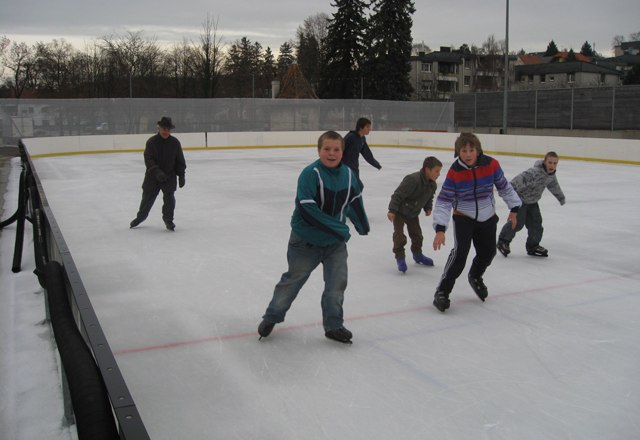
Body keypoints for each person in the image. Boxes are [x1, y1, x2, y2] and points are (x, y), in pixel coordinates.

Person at [258, 130, 370, 344]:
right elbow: (308, 209)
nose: (331, 153)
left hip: (334, 244)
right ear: (319, 151)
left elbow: (355, 200)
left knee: (337, 285)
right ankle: (272, 316)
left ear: (342, 151)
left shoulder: (348, 174)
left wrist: (362, 224)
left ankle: (334, 325)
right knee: (292, 282)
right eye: (326, 149)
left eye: (336, 149)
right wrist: (339, 229)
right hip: (305, 242)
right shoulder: (310, 174)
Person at [431, 133, 521, 312]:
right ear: (458, 152)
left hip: (487, 216)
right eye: (463, 151)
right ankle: (442, 291)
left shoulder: (491, 164)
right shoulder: (455, 172)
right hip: (464, 216)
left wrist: (514, 208)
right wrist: (440, 228)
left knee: (488, 253)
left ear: (478, 150)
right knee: (460, 255)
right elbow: (444, 201)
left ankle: (475, 276)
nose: (468, 154)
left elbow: (504, 186)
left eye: (471, 150)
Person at [497, 151, 565, 257]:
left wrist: (561, 197)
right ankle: (503, 241)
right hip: (521, 200)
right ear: (545, 162)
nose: (552, 165)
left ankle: (533, 246)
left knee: (536, 224)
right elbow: (516, 182)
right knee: (518, 223)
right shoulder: (533, 172)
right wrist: (509, 194)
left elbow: (554, 186)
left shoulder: (551, 175)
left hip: (533, 202)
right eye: (550, 162)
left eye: (555, 163)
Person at [130, 116, 186, 231]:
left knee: (170, 200)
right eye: (163, 129)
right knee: (147, 199)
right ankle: (140, 218)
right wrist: (157, 172)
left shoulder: (175, 143)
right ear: (158, 128)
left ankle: (168, 220)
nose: (166, 131)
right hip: (152, 177)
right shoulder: (151, 142)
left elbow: (180, 160)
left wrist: (181, 175)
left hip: (169, 176)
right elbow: (148, 159)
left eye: (168, 129)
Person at [387, 156, 443, 273]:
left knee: (417, 235)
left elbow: (429, 197)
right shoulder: (413, 179)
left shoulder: (432, 185)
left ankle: (417, 254)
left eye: (439, 171)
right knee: (399, 235)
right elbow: (398, 195)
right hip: (400, 211)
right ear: (427, 169)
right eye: (436, 171)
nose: (438, 174)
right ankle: (400, 258)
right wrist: (392, 210)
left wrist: (428, 207)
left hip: (413, 213)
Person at [342, 117, 381, 189]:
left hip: (354, 168)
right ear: (360, 127)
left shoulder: (362, 139)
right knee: (357, 187)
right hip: (345, 168)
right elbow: (339, 149)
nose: (369, 129)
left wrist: (376, 164)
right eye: (367, 127)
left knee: (357, 187)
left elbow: (367, 153)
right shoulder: (350, 137)